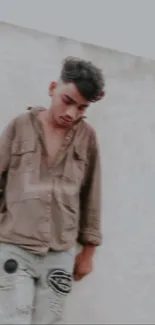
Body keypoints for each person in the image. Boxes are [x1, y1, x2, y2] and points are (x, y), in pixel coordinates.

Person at [0, 57, 104, 324]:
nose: (71, 113)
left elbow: (92, 193)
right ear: (52, 88)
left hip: (60, 253)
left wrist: (88, 253)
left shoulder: (87, 137)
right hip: (15, 246)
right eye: (68, 101)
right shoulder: (19, 126)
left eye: (81, 108)